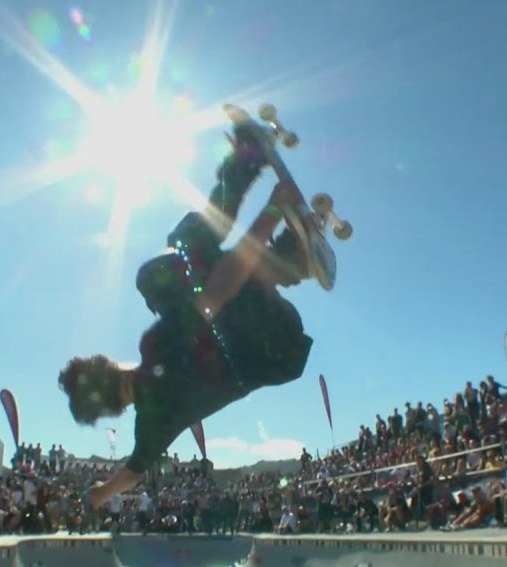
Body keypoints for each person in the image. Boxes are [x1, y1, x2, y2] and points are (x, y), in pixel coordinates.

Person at [59, 124, 317, 508]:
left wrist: (98, 494)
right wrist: (275, 208)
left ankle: (291, 257)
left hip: (277, 355)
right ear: (106, 366)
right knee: (180, 254)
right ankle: (263, 200)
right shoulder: (157, 346)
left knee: (186, 260)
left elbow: (134, 470)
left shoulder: (151, 424)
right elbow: (219, 290)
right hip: (267, 338)